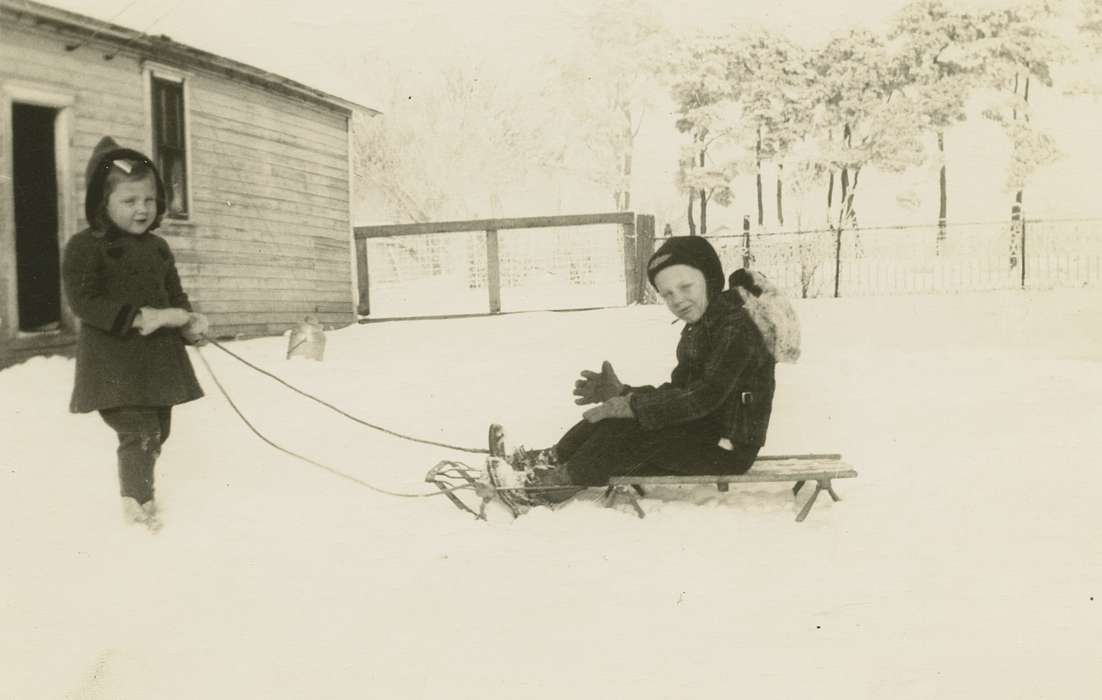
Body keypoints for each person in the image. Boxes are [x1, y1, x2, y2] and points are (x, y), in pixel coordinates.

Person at [489, 235, 799, 511]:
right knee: (615, 418)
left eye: (685, 286)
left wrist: (633, 406)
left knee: (624, 432)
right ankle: (543, 460)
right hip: (704, 432)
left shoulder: (736, 327)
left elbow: (704, 397)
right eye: (667, 294)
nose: (677, 299)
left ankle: (547, 488)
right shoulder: (702, 325)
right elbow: (681, 390)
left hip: (728, 449)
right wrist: (624, 393)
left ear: (710, 278)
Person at [62, 136, 209, 531]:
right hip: (116, 364)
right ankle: (138, 506)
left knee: (159, 429)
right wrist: (138, 316)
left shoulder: (158, 247)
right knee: (139, 431)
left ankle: (140, 490)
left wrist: (188, 321)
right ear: (102, 205)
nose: (142, 209)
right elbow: (84, 301)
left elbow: (174, 292)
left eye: (149, 199)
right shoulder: (85, 247)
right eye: (129, 201)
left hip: (158, 362)